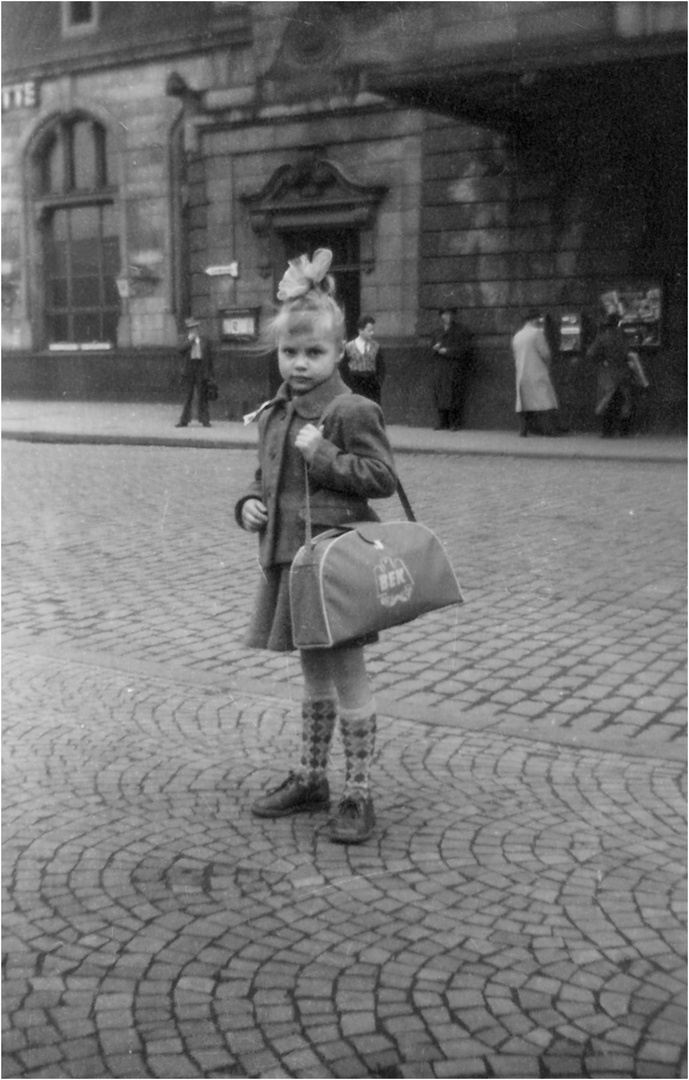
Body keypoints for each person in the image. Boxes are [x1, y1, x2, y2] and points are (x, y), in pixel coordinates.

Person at [235, 248, 397, 845]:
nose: (300, 364)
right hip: (289, 561)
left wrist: (323, 454)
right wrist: (249, 504)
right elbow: (266, 475)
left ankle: (357, 790)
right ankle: (311, 777)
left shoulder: (351, 408)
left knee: (348, 670)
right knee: (312, 672)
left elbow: (380, 477)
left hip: (334, 565)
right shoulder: (275, 411)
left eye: (314, 352)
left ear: (341, 352)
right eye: (290, 352)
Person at [585, 314, 639, 437]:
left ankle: (607, 432)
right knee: (625, 401)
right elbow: (628, 353)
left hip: (608, 373)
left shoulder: (602, 337)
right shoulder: (623, 337)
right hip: (623, 372)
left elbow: (590, 353)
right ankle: (624, 431)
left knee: (607, 401)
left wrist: (602, 360)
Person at [512, 311, 560, 437]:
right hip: (537, 371)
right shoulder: (537, 333)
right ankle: (549, 430)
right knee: (544, 401)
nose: (539, 321)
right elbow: (545, 353)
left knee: (524, 403)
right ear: (533, 320)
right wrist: (549, 364)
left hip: (522, 373)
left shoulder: (517, 335)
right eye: (538, 319)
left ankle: (523, 430)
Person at [431, 307, 472, 430]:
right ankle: (443, 422)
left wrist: (447, 351)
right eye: (444, 314)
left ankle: (455, 422)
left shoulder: (460, 331)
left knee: (454, 395)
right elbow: (431, 349)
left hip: (453, 367)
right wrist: (435, 349)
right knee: (440, 394)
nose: (447, 317)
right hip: (440, 367)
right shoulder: (437, 332)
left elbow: (464, 349)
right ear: (441, 316)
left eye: (449, 314)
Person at [176, 317, 214, 428]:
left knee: (202, 395)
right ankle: (184, 420)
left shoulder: (204, 340)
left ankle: (205, 420)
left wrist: (210, 373)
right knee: (188, 396)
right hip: (189, 368)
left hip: (201, 367)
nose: (193, 331)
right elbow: (180, 350)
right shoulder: (184, 339)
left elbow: (209, 357)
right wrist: (190, 341)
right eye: (191, 328)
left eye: (195, 328)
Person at [341, 315, 386, 405]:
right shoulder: (349, 347)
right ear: (360, 331)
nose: (372, 333)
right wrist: (349, 385)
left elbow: (381, 366)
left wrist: (378, 382)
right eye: (369, 331)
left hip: (372, 384)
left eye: (373, 330)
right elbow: (343, 368)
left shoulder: (376, 347)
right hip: (355, 383)